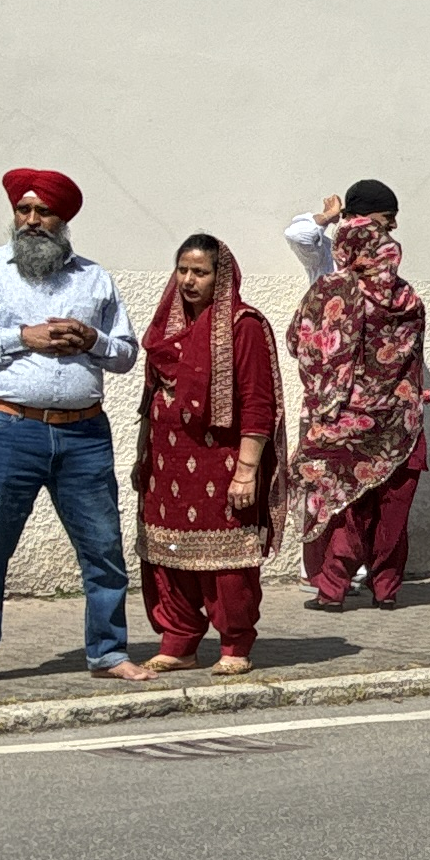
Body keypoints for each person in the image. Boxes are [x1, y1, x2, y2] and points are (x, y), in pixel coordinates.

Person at [0, 167, 143, 689]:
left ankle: (108, 651)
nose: (31, 221)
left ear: (62, 220)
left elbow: (125, 355)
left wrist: (93, 339)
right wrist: (19, 337)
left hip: (83, 434)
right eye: (23, 211)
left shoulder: (94, 278)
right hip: (5, 429)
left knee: (103, 548)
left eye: (42, 212)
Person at [131, 233, 282, 675]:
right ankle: (179, 641)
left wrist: (247, 471)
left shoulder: (244, 325)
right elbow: (150, 397)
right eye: (183, 270)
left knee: (226, 561)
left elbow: (258, 403)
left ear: (221, 276)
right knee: (166, 553)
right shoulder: (165, 330)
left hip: (222, 461)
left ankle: (235, 643)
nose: (189, 280)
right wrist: (142, 454)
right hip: (168, 460)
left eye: (200, 272)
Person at [289, 193, 430, 610]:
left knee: (345, 506)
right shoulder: (409, 300)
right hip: (399, 423)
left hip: (345, 420)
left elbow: (300, 342)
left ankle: (332, 591)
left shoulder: (333, 289)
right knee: (392, 511)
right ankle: (386, 590)